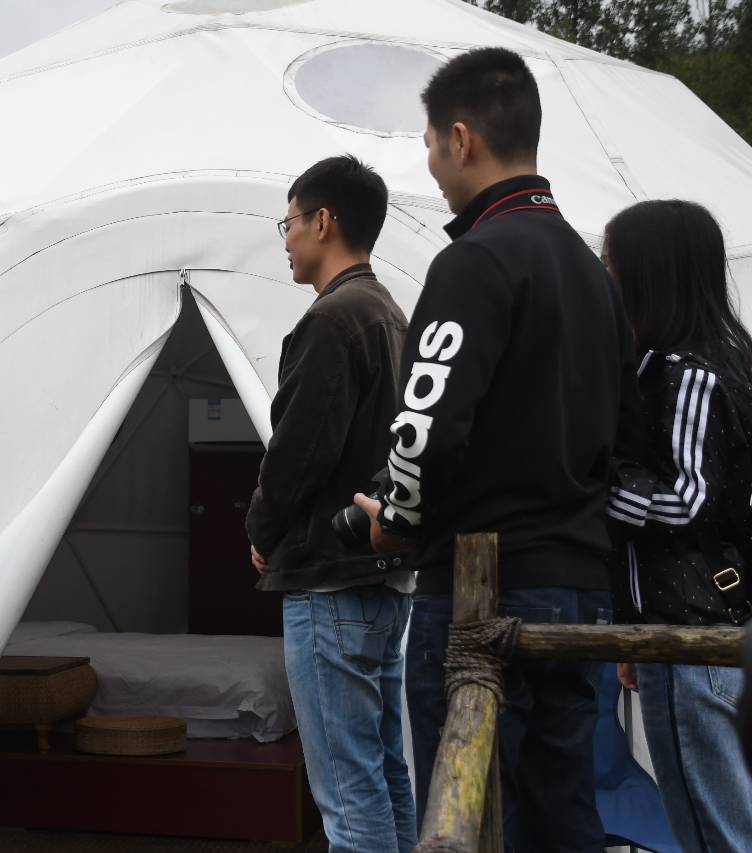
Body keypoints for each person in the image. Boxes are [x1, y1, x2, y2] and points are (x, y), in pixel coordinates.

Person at [353, 48, 639, 851]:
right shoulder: (591, 271)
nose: (433, 165)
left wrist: (395, 520)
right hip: (578, 590)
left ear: (461, 137)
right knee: (562, 814)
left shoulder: (475, 260)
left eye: (430, 145)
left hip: (483, 594)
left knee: (468, 817)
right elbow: (628, 433)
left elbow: (423, 430)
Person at [246, 154, 416, 853]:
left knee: (347, 795)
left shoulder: (333, 319)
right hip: (382, 574)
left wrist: (263, 527)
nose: (285, 238)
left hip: (330, 578)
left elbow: (299, 451)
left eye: (288, 222)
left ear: (323, 221)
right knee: (386, 773)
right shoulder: (391, 313)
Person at [603, 199, 752, 852]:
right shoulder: (706, 359)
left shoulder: (688, 373)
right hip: (687, 628)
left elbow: (687, 502)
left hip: (694, 631)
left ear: (649, 271)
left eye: (611, 262)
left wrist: (596, 484)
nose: (604, 276)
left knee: (717, 831)